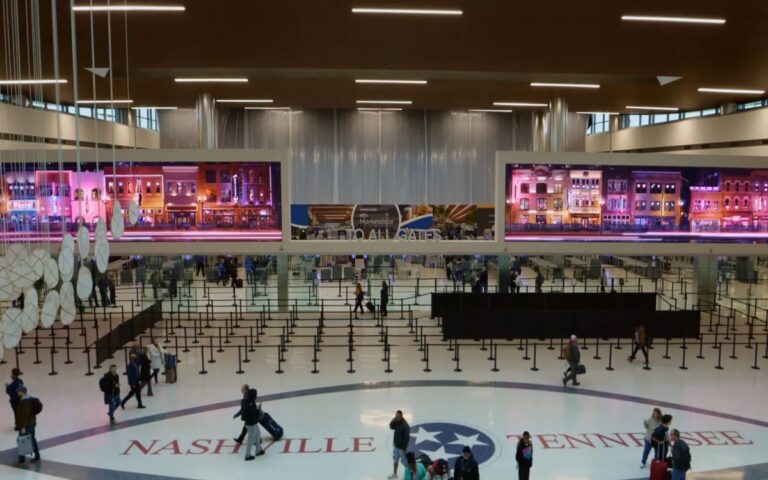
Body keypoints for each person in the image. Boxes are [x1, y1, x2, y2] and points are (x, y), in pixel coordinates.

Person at [14, 386, 40, 465]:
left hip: (27, 424)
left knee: (21, 440)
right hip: (31, 423)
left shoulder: (25, 401)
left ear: (22, 392)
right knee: (32, 439)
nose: (17, 392)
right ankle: (37, 456)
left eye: (18, 391)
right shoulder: (28, 399)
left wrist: (23, 427)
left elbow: (25, 415)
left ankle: (21, 459)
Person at [241, 388, 265, 460]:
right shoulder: (250, 404)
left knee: (258, 434)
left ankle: (258, 450)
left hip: (252, 422)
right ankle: (247, 455)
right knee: (251, 439)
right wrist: (258, 410)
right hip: (251, 423)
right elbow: (252, 414)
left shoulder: (249, 401)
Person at [388, 410, 410, 479]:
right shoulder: (396, 422)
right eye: (396, 416)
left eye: (398, 417)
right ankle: (395, 474)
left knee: (405, 462)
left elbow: (407, 438)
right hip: (396, 445)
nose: (396, 418)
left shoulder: (405, 425)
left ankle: (410, 475)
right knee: (395, 459)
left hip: (401, 448)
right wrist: (393, 420)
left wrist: (404, 448)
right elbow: (391, 427)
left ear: (401, 417)